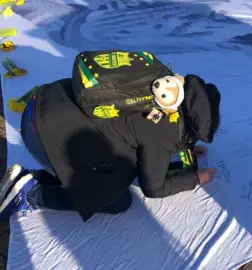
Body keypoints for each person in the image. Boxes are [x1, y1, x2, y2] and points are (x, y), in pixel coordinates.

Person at [0, 74, 221, 222]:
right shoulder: (164, 133)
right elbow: (153, 187)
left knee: (119, 162)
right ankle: (31, 194)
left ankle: (32, 178)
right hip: (42, 132)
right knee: (118, 199)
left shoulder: (165, 87)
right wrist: (195, 179)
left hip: (45, 101)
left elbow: (141, 137)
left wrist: (183, 151)